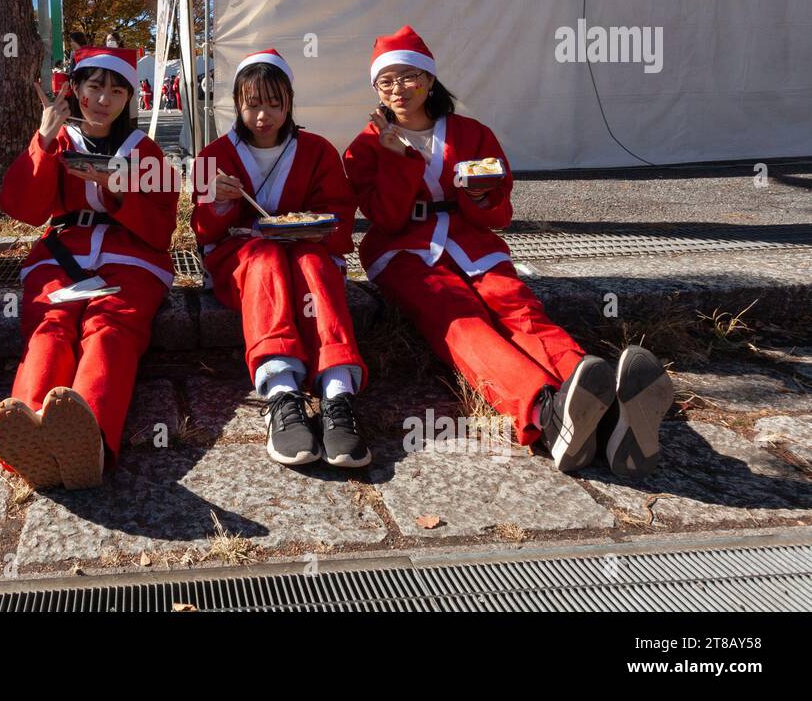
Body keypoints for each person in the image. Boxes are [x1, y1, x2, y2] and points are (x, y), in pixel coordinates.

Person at [344, 26, 674, 477]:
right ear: (377, 90)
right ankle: (546, 411)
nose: (399, 88)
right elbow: (386, 218)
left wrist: (480, 196)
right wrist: (399, 161)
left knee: (518, 306)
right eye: (387, 81)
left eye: (409, 76)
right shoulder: (365, 147)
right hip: (404, 251)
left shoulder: (471, 133)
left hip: (472, 243)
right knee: (460, 320)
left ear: (430, 80)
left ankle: (596, 397)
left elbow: (498, 210)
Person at [0, 47, 179, 490]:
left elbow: (163, 224)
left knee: (111, 327)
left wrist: (118, 191)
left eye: (117, 90)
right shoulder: (56, 142)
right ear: (74, 90)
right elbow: (22, 207)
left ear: (129, 97)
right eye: (94, 87)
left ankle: (90, 437)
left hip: (130, 254)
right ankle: (31, 428)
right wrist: (41, 141)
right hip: (63, 250)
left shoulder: (144, 150)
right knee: (50, 324)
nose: (103, 100)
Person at [192, 49, 369, 468]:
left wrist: (312, 227)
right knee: (265, 255)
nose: (263, 116)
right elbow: (204, 233)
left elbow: (340, 215)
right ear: (236, 103)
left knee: (312, 262)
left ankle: (338, 390)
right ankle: (280, 389)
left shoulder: (318, 151)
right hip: (244, 260)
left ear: (290, 101)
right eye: (252, 104)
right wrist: (216, 202)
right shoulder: (213, 156)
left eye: (274, 103)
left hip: (308, 249)